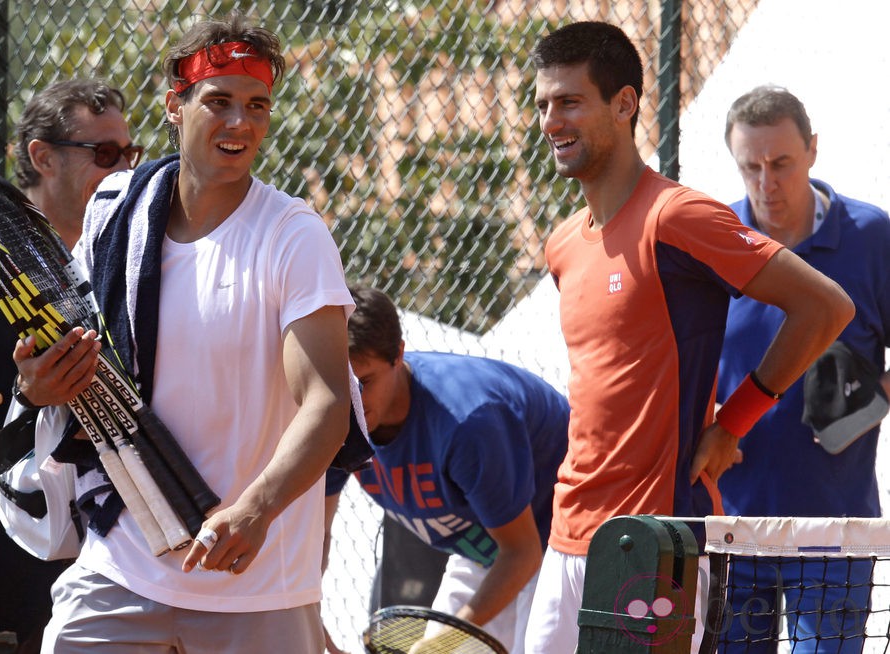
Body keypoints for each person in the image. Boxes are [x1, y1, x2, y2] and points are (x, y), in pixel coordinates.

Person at [13, 11, 354, 653]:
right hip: (123, 562)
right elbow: (67, 354)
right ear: (176, 105)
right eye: (218, 101)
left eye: (257, 105)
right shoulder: (117, 212)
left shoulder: (293, 235)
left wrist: (253, 510)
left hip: (258, 581)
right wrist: (37, 383)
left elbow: (328, 403)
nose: (240, 123)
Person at [524, 22, 855, 654]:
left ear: (624, 104)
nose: (550, 121)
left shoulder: (678, 216)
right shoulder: (562, 243)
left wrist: (734, 423)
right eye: (542, 104)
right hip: (567, 536)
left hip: (658, 537)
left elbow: (824, 307)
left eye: (569, 102)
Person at [0, 79, 137, 653]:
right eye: (103, 154)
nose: (120, 172)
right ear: (42, 157)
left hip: (113, 581)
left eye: (129, 155)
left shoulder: (123, 276)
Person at [716, 85, 890, 653]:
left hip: (835, 529)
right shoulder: (715, 243)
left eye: (782, 163)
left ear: (812, 150)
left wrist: (868, 403)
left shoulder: (872, 238)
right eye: (752, 167)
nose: (767, 182)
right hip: (732, 528)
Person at [323, 285, 571, 654]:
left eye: (365, 382)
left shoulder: (466, 422)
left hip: (559, 543)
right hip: (488, 547)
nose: (352, 398)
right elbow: (315, 542)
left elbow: (522, 554)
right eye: (341, 383)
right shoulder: (333, 413)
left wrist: (444, 640)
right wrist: (316, 633)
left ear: (399, 356)